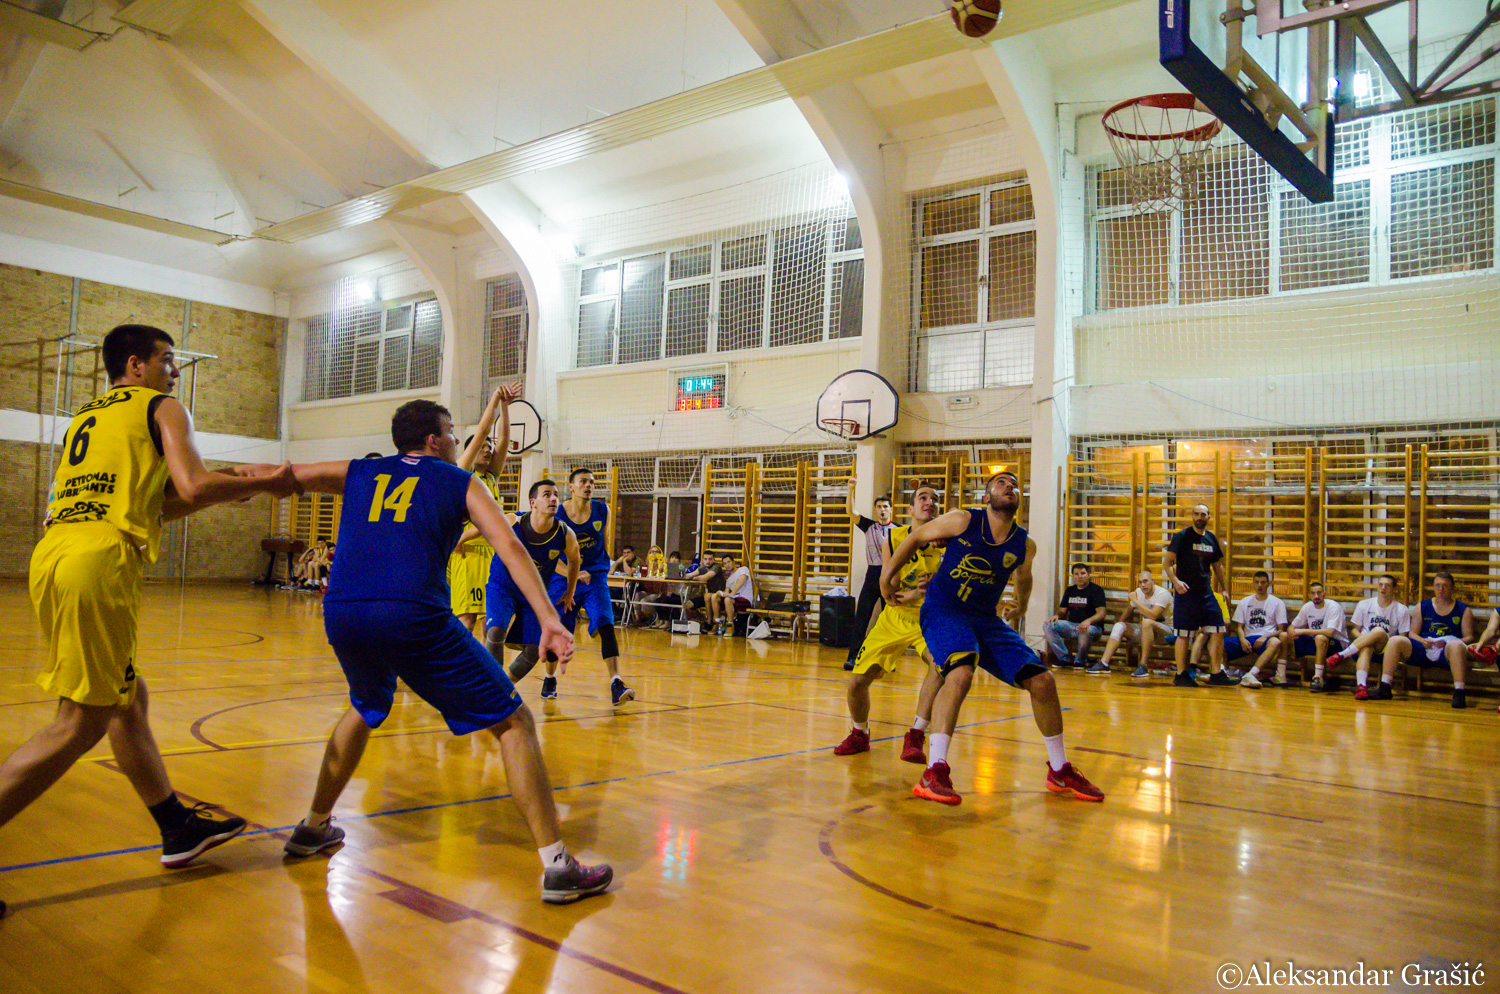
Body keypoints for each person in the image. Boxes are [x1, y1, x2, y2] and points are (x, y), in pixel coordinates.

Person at [0, 324, 301, 918]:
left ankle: (175, 826)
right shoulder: (162, 408)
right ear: (136, 364)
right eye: (168, 360)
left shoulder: (88, 417)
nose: (175, 372)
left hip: (55, 554)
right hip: (97, 560)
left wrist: (229, 489)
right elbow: (194, 484)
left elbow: (158, 503)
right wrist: (270, 482)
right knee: (79, 722)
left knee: (127, 698)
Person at [280, 401, 611, 904]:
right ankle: (559, 866)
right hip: (411, 613)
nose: (458, 440)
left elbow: (285, 475)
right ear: (435, 440)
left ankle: (313, 826)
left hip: (344, 611)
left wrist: (212, 485)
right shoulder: (458, 481)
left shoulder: (358, 471)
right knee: (515, 722)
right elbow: (511, 547)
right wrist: (549, 617)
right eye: (452, 432)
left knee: (365, 704)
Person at [885, 470, 1103, 807]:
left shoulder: (1024, 544)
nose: (1009, 486)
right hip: (944, 610)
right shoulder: (962, 520)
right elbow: (916, 537)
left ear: (1019, 500)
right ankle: (934, 769)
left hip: (985, 619)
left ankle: (1059, 770)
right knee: (960, 671)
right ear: (987, 497)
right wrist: (886, 578)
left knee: (1043, 681)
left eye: (1014, 484)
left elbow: (1024, 578)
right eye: (1001, 482)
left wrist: (1022, 606)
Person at [833, 484, 945, 763]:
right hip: (896, 616)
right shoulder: (893, 538)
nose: (929, 502)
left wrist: (934, 587)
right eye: (923, 497)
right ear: (910, 509)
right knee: (857, 683)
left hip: (930, 617)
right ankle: (860, 733)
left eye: (935, 499)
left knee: (940, 665)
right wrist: (908, 592)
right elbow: (889, 588)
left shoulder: (948, 542)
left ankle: (916, 734)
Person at [486, 479, 580, 703]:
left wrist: (570, 591)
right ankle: (491, 688)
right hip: (504, 586)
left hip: (532, 594)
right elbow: (483, 528)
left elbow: (575, 560)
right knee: (495, 632)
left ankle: (504, 689)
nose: (553, 498)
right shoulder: (514, 521)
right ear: (533, 502)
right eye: (547, 495)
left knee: (533, 650)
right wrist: (460, 539)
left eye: (556, 495)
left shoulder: (565, 533)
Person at [555, 468, 634, 707]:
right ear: (571, 487)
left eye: (591, 482)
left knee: (606, 624)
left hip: (595, 577)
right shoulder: (558, 514)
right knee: (559, 632)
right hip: (564, 577)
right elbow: (550, 555)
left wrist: (603, 568)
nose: (588, 485)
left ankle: (616, 682)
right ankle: (549, 678)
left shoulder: (603, 510)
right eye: (583, 482)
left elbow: (604, 543)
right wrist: (573, 572)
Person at [448, 383, 521, 638]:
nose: (488, 450)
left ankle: (479, 661)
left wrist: (505, 407)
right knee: (466, 619)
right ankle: (455, 659)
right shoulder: (462, 472)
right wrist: (494, 400)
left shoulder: (490, 477)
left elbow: (503, 441)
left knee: (490, 619)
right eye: (483, 447)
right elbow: (482, 432)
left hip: (491, 553)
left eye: (490, 448)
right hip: (467, 552)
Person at [1165, 503, 1236, 687]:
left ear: (1208, 517)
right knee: (1184, 634)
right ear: (1192, 516)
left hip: (1206, 594)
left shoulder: (1211, 539)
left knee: (1219, 629)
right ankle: (1181, 674)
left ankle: (1216, 672)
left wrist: (1225, 588)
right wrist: (1176, 582)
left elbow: (1217, 566)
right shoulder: (1182, 536)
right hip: (1186, 594)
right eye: (1196, 514)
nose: (1199, 517)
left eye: (1203, 514)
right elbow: (1167, 563)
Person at [1380, 571, 1474, 709]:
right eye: (1437, 585)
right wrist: (1422, 641)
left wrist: (1448, 642)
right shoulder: (1422, 606)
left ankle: (1459, 692)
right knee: (1395, 640)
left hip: (1447, 650)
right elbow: (1412, 633)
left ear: (1452, 588)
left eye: (1445, 585)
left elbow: (1469, 637)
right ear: (1433, 587)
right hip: (1424, 647)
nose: (1441, 589)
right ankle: (1385, 686)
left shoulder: (1463, 609)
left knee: (1456, 645)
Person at [1326, 574, 1410, 701]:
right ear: (1377, 586)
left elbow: (1403, 637)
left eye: (1387, 585)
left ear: (1394, 589)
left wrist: (1371, 638)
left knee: (1379, 631)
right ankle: (1361, 687)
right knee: (1366, 646)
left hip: (1386, 647)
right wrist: (1365, 639)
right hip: (1363, 645)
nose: (1383, 587)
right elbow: (1354, 630)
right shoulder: (1364, 604)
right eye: (1381, 584)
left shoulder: (1402, 609)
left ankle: (1342, 655)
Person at [844, 481, 893, 670]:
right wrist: (851, 489)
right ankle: (853, 657)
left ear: (891, 509)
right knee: (862, 617)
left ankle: (888, 659)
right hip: (872, 575)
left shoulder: (898, 530)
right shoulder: (868, 526)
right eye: (879, 506)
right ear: (875, 509)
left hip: (890, 577)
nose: (882, 509)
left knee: (889, 620)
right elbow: (850, 512)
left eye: (885, 506)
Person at [1095, 570, 1173, 676]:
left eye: (1145, 581)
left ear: (1152, 581)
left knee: (1147, 622)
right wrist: (1121, 630)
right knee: (1119, 626)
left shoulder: (1162, 594)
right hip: (1147, 631)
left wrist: (1136, 601)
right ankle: (1104, 663)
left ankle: (1143, 665)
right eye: (1140, 582)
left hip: (1167, 633)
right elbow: (1128, 610)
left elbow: (1153, 616)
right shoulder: (1139, 592)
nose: (1143, 585)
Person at [1226, 571, 1290, 688]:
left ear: (1268, 584)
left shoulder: (1277, 603)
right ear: (1253, 583)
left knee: (1276, 642)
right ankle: (1220, 671)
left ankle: (1251, 674)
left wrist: (1265, 636)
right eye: (1257, 582)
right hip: (1247, 639)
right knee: (1219, 642)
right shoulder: (1244, 602)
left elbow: (1282, 630)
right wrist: (1242, 640)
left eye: (1263, 582)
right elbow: (1239, 627)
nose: (1260, 585)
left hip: (1265, 639)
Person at [1042, 564, 1107, 669]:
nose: (1079, 576)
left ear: (1088, 575)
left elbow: (1101, 613)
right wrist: (1057, 616)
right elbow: (1062, 610)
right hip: (1072, 626)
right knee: (1047, 626)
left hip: (1092, 628)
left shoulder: (1096, 590)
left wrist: (1088, 621)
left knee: (1086, 629)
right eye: (1076, 574)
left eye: (1083, 573)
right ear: (1073, 576)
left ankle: (1080, 661)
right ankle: (1065, 658)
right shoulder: (1070, 590)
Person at [1288, 582, 1348, 692]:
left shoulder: (1334, 607)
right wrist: (1292, 632)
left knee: (1320, 638)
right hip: (1316, 641)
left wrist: (1302, 631)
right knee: (1283, 635)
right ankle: (1281, 674)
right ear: (1309, 595)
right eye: (1313, 593)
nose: (1316, 596)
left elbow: (1330, 632)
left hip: (1337, 644)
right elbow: (1292, 627)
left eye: (1319, 593)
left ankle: (1317, 677)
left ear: (1324, 594)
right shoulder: (1307, 607)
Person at [709, 555, 756, 636]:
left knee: (728, 600)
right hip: (733, 599)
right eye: (725, 563)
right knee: (714, 597)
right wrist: (720, 593)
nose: (727, 565)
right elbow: (726, 592)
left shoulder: (743, 569)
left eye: (729, 562)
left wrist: (732, 593)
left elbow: (742, 581)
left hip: (745, 599)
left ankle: (730, 625)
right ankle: (716, 623)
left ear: (733, 562)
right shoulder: (729, 580)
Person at [684, 551, 724, 622]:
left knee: (707, 596)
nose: (708, 561)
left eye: (710, 559)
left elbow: (704, 578)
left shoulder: (716, 567)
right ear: (702, 560)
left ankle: (710, 622)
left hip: (719, 596)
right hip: (708, 597)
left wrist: (694, 578)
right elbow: (689, 575)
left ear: (714, 560)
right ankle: (705, 621)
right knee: (687, 606)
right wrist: (679, 575)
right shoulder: (702, 568)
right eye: (705, 559)